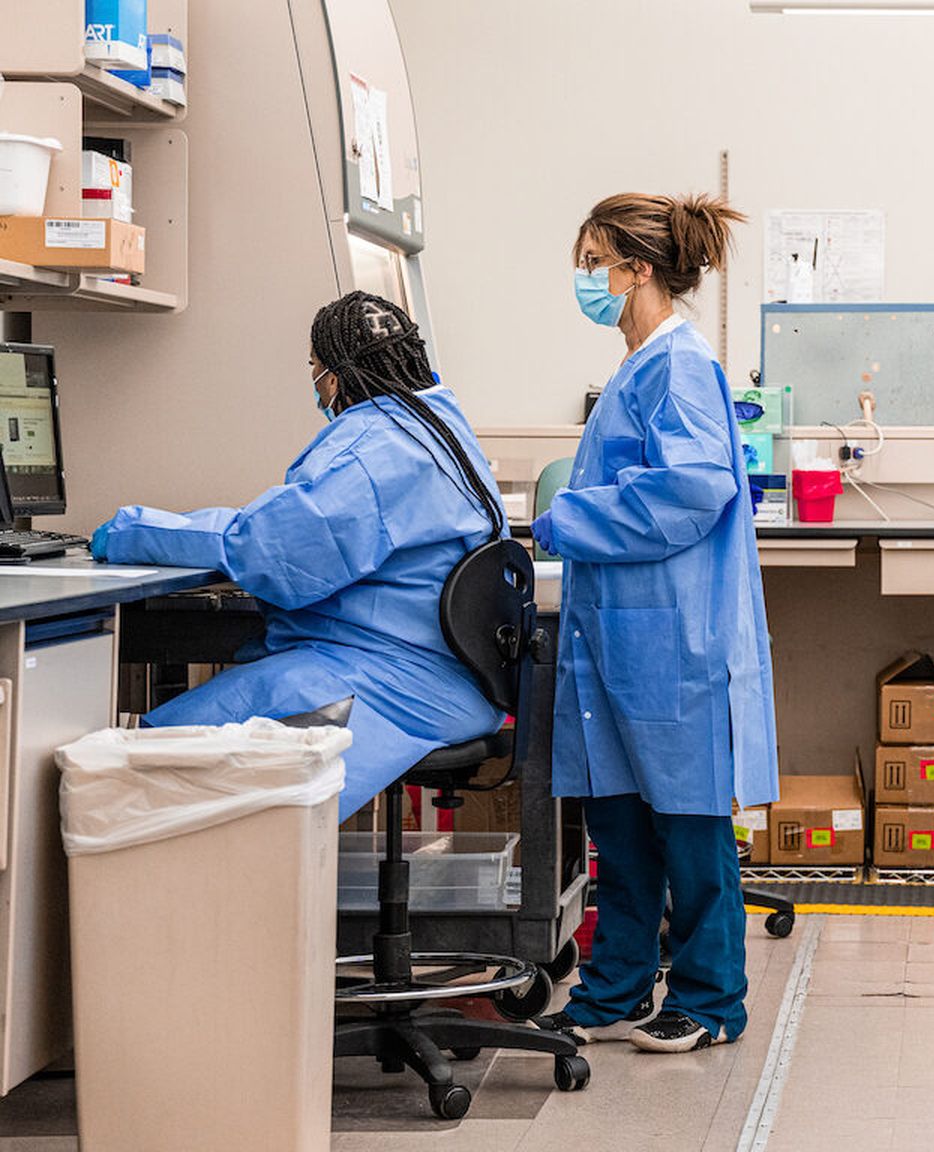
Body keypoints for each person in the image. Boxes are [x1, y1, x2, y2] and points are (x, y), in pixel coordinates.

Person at [91, 291, 510, 815]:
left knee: (148, 763)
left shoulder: (376, 449)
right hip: (435, 673)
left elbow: (268, 549)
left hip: (394, 682)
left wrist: (133, 531)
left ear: (333, 377)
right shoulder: (435, 426)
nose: (314, 381)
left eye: (314, 367)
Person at [531, 192, 777, 1054]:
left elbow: (693, 487)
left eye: (594, 261)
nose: (584, 279)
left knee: (690, 825)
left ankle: (710, 999)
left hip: (674, 639)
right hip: (623, 637)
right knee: (622, 832)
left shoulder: (677, 366)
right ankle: (617, 990)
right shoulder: (640, 369)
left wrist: (571, 518)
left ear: (638, 270)